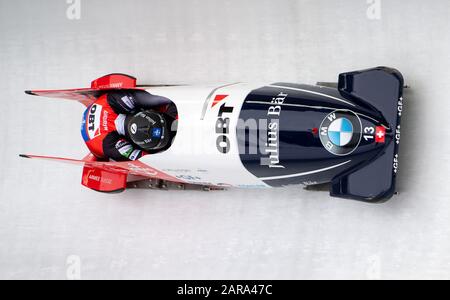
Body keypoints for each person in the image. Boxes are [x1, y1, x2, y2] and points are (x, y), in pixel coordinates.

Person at [81, 90, 177, 161]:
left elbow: (153, 98)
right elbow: (143, 160)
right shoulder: (109, 146)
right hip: (97, 143)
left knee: (154, 100)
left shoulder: (115, 100)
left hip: (106, 104)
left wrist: (172, 100)